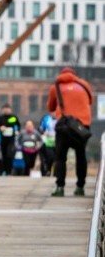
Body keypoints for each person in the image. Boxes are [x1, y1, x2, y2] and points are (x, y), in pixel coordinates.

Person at [47, 67, 94, 197]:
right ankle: (80, 187)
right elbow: (90, 101)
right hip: (82, 126)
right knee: (81, 156)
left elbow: (50, 106)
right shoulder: (84, 85)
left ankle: (60, 187)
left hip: (64, 126)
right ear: (74, 74)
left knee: (61, 157)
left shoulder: (56, 87)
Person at [0, 103, 20, 176]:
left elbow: (18, 125)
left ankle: (9, 170)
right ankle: (4, 170)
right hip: (3, 139)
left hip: (11, 139)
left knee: (9, 154)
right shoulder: (0, 118)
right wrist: (0, 128)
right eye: (5, 109)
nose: (6, 110)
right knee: (4, 155)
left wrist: (17, 131)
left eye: (7, 109)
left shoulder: (13, 117)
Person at [38, 112, 56, 177]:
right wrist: (43, 132)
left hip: (58, 141)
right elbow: (40, 128)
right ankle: (48, 169)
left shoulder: (61, 118)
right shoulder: (46, 118)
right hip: (48, 141)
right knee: (50, 156)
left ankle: (56, 173)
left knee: (56, 158)